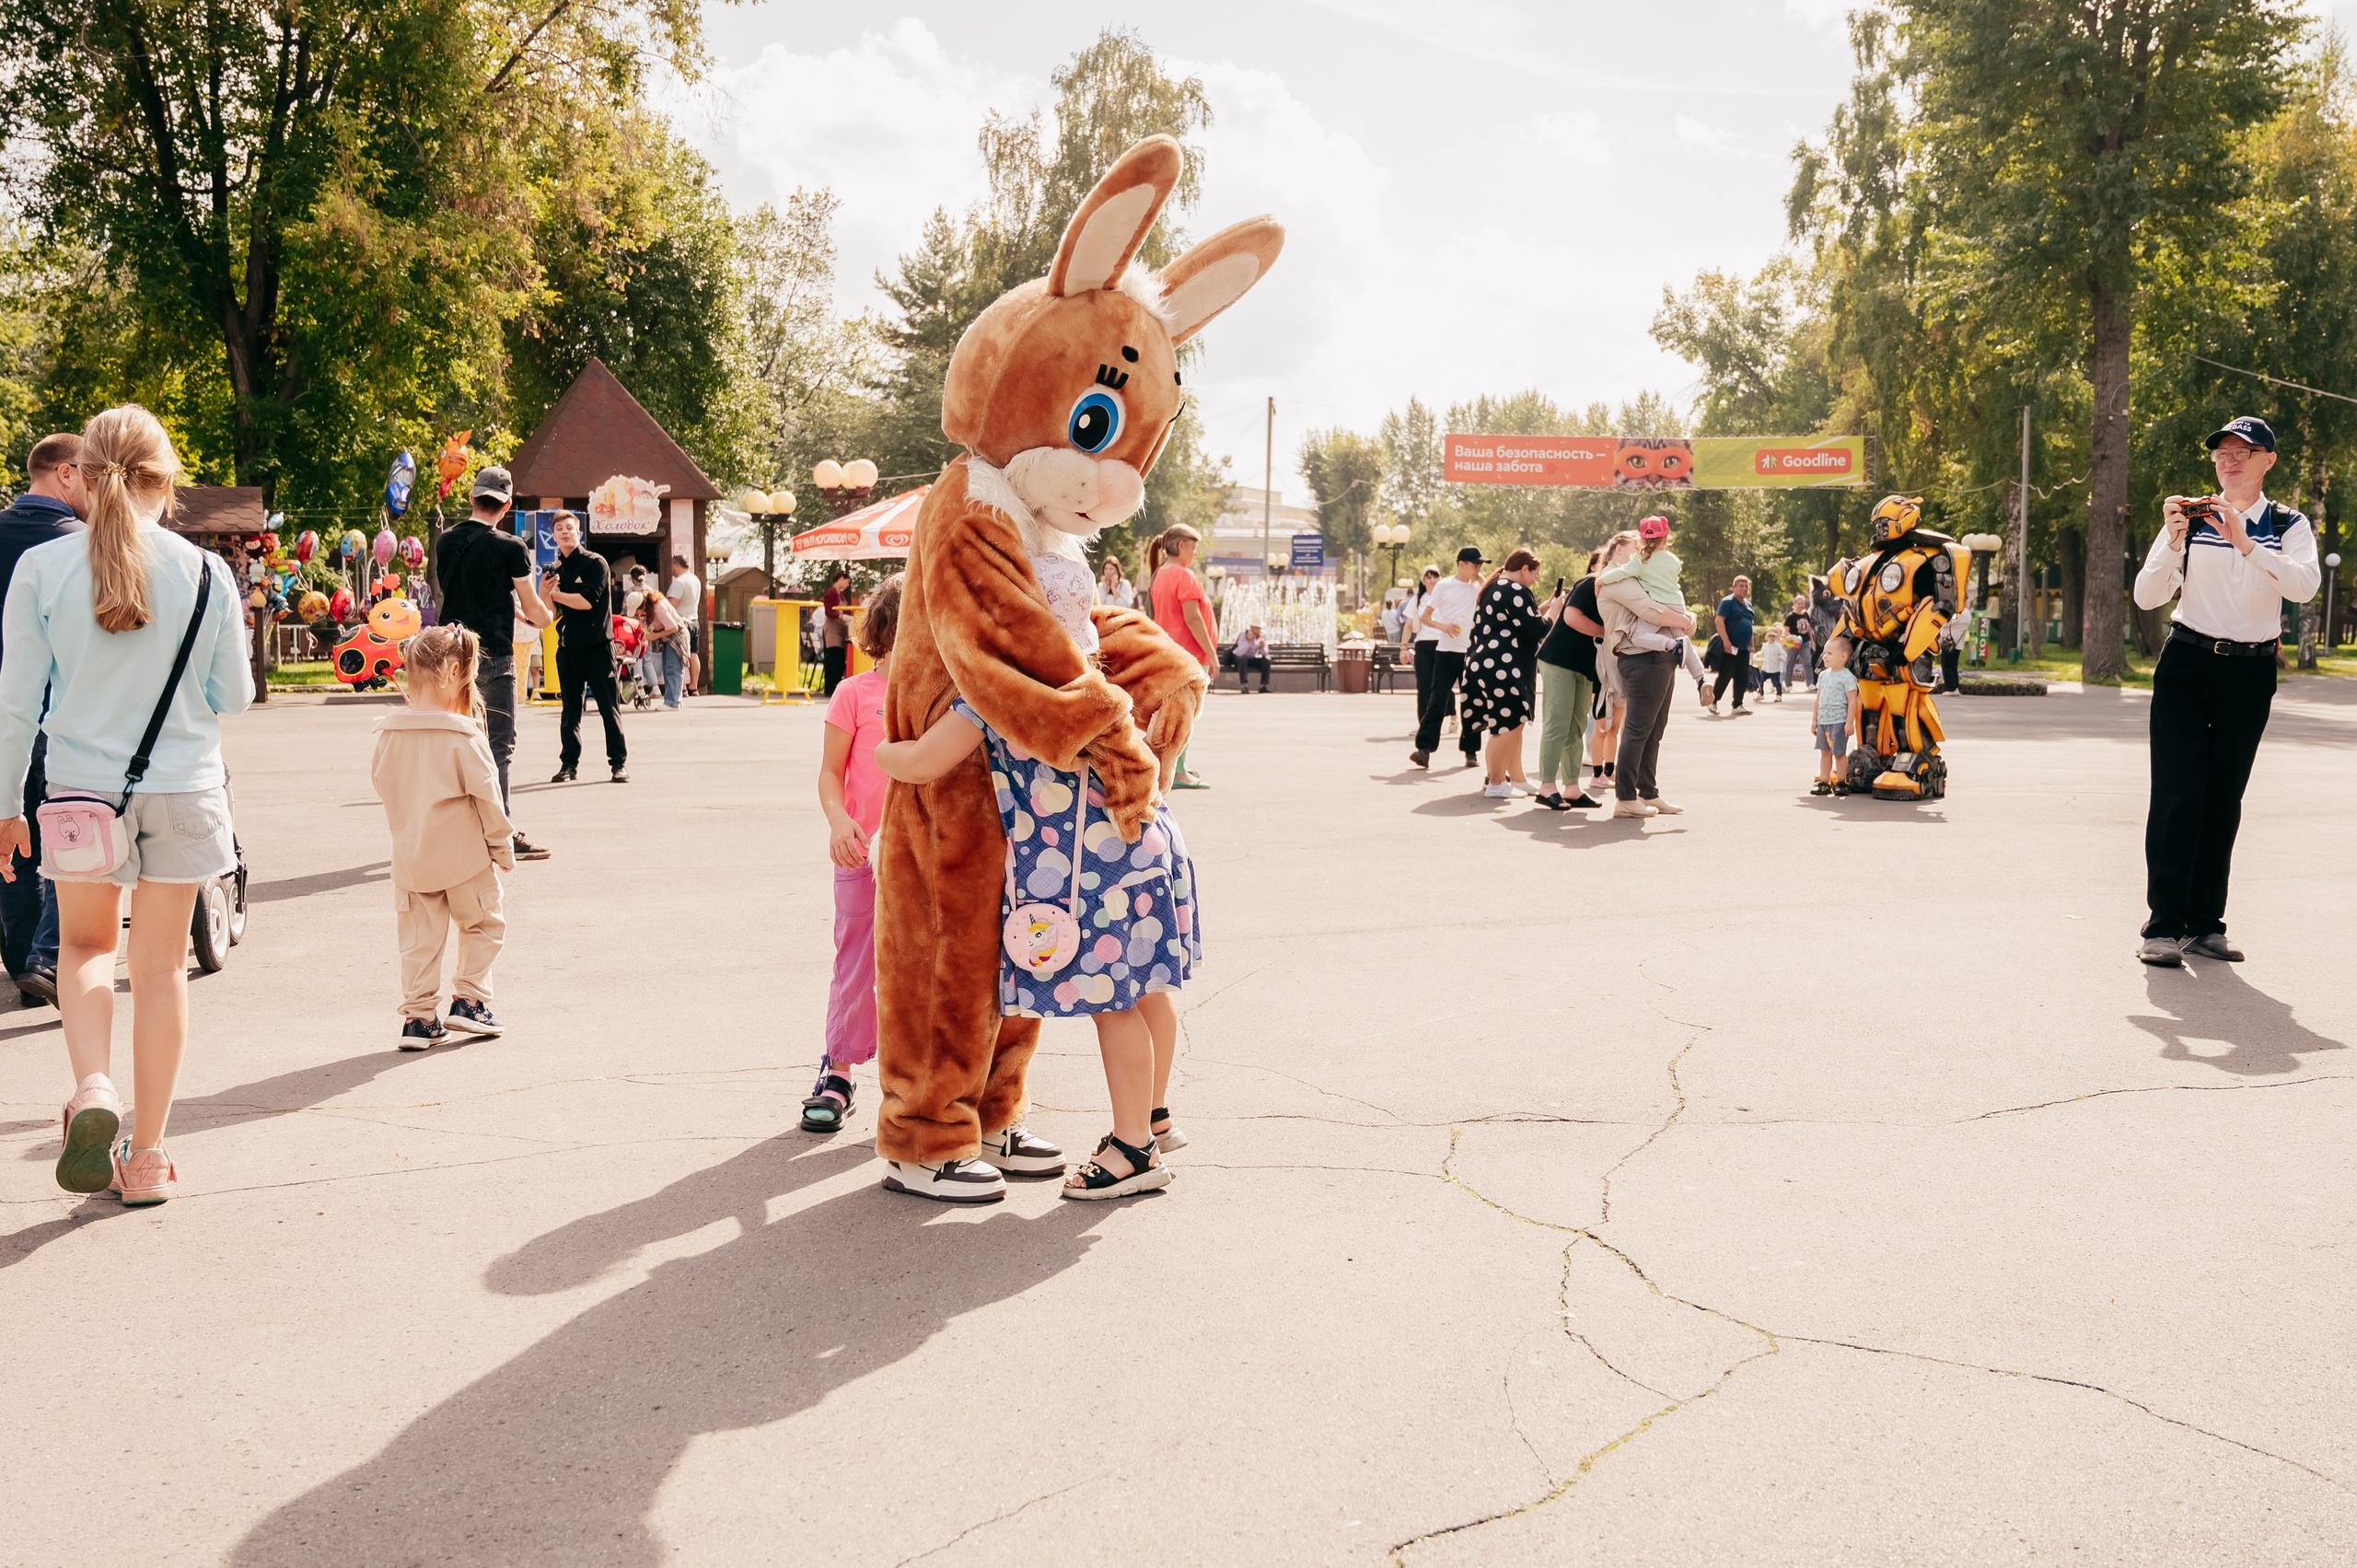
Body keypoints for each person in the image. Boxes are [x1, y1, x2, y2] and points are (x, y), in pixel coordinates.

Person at [873, 565, 1200, 1201]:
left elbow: (921, 759)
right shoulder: (1098, 677)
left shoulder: (1002, 694)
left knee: (1115, 1005)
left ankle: (1133, 1146)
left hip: (1093, 873)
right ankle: (1156, 1115)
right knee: (1148, 989)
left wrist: (881, 748)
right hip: (1148, 850)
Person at [0, 403, 252, 1206]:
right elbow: (236, 697)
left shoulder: (41, 570)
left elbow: (14, 703)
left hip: (78, 791)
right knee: (161, 968)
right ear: (167, 479)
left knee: (82, 949)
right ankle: (146, 1159)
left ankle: (96, 1086)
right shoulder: (208, 572)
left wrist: (7, 803)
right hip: (183, 787)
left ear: (81, 478)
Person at [2131, 415, 2320, 967]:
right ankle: (2163, 925)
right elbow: (2147, 596)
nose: (2230, 460)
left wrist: (2245, 542)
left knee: (2223, 799)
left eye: (2245, 451)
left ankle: (2204, 923)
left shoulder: (2289, 524)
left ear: (2269, 461)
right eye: (2222, 452)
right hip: (2188, 662)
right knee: (2178, 795)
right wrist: (2171, 539)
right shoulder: (2191, 520)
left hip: (2250, 671)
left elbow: (2303, 586)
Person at [373, 626, 513, 1049]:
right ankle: (469, 1001)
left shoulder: (387, 736)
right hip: (465, 858)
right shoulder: (463, 735)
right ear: (454, 672)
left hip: (412, 859)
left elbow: (385, 788)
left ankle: (418, 1018)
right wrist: (500, 846)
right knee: (483, 924)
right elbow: (489, 799)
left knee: (419, 940)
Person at [805, 575, 902, 1135]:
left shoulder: (941, 695)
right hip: (859, 854)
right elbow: (829, 773)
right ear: (884, 632)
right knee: (855, 961)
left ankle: (912, 1078)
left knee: (918, 968)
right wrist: (839, 821)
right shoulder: (854, 694)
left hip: (920, 859)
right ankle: (838, 1071)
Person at [0, 433, 88, 1005]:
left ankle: (21, 959)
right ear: (64, 474)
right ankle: (47, 957)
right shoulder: (81, 546)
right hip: (60, 711)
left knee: (9, 828)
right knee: (63, 833)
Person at [435, 464, 553, 860]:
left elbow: (465, 591)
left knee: (455, 745)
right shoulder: (512, 547)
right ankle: (499, 834)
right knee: (497, 747)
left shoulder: (446, 541)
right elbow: (537, 613)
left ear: (471, 498)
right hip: (494, 656)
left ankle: (455, 831)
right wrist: (541, 607)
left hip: (449, 656)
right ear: (506, 506)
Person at [1596, 516, 1698, 819]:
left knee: (1654, 729)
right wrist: (1686, 621)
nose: (1642, 549)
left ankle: (1648, 792)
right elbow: (1649, 610)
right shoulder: (1617, 577)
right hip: (1641, 656)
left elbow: (1660, 598)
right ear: (1617, 550)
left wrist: (1682, 618)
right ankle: (1625, 798)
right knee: (1638, 729)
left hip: (1658, 655)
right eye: (1635, 545)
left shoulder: (1634, 573)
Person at [543, 511, 628, 784]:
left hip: (598, 649)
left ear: (579, 532)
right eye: (559, 529)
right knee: (570, 710)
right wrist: (545, 595)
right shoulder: (555, 571)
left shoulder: (595, 563)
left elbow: (587, 601)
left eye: (569, 527)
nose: (565, 532)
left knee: (608, 708)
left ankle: (618, 764)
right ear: (554, 536)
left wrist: (553, 594)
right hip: (567, 650)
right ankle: (569, 765)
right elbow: (552, 613)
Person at [1460, 547, 1550, 798]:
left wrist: (1544, 608)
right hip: (1503, 666)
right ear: (1524, 569)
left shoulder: (1495, 587)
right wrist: (1554, 612)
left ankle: (1517, 779)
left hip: (1488, 664)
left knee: (1513, 724)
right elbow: (1536, 629)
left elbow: (1521, 620)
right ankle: (1497, 783)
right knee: (1506, 726)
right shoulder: (1516, 590)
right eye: (1536, 575)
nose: (1535, 580)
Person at [1535, 548, 1607, 810]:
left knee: (1576, 726)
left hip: (1584, 665)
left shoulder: (1618, 590)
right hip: (1559, 660)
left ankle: (1572, 788)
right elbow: (1571, 616)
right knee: (1558, 724)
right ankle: (1546, 787)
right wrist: (1605, 631)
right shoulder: (1591, 583)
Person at [1147, 524, 1217, 788]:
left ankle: (1176, 767)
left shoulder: (1159, 575)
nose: (1195, 553)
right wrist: (1213, 654)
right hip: (1188, 656)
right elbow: (1193, 618)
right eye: (1193, 547)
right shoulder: (1183, 576)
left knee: (1171, 715)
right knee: (1185, 716)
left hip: (1170, 652)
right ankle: (1177, 772)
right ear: (1180, 546)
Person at [1411, 547, 1486, 769]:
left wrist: (1480, 578)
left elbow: (1492, 593)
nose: (1477, 568)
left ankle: (1471, 751)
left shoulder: (1478, 588)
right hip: (1445, 652)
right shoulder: (1444, 586)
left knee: (1472, 702)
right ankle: (1424, 749)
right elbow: (1425, 617)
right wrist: (1443, 627)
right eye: (1474, 564)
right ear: (1461, 564)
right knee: (1437, 700)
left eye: (1480, 565)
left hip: (1470, 652)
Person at [1812, 635, 1860, 796]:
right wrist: (1814, 720)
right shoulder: (1823, 676)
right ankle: (1824, 782)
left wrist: (1849, 722)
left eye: (1830, 653)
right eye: (1824, 653)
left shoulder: (1848, 677)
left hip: (1839, 721)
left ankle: (1841, 782)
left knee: (1839, 753)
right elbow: (1818, 699)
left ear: (1843, 657)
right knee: (1825, 752)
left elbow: (1853, 701)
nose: (1824, 656)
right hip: (1823, 721)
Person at [1709, 575, 1757, 715]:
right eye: (1741, 586)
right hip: (1730, 646)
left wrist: (1751, 645)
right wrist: (1726, 641)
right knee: (1726, 674)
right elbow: (1719, 621)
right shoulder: (1727, 602)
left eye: (1746, 586)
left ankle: (1737, 704)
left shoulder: (1748, 605)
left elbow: (1749, 626)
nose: (1744, 588)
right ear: (1734, 587)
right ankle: (1713, 701)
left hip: (1743, 647)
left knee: (1743, 676)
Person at [1403, 563, 1442, 723]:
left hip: (1442, 645)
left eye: (1435, 576)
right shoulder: (1418, 600)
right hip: (1423, 645)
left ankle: (1452, 714)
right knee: (1423, 685)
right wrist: (1403, 648)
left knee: (1440, 686)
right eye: (1428, 577)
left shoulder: (1446, 597)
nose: (1432, 580)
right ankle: (1424, 723)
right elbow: (1408, 625)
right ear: (1423, 581)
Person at [638, 587, 688, 709]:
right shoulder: (650, 606)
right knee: (668, 669)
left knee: (673, 669)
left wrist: (655, 636)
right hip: (668, 637)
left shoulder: (657, 607)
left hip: (675, 636)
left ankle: (673, 702)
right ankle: (673, 701)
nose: (638, 614)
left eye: (637, 610)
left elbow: (674, 627)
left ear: (643, 605)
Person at [666, 553, 702, 691]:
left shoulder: (680, 582)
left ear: (676, 564)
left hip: (682, 622)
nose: (671, 569)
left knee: (679, 654)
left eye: (672, 565)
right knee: (693, 653)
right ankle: (694, 686)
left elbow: (673, 603)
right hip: (694, 620)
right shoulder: (695, 579)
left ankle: (683, 688)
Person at [818, 568, 852, 697]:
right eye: (847, 582)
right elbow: (828, 612)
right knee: (833, 659)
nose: (848, 585)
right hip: (832, 629)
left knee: (840, 659)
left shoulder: (840, 595)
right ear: (841, 579)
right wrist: (841, 616)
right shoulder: (831, 593)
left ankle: (836, 687)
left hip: (839, 629)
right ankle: (830, 688)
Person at [1784, 596, 1815, 689]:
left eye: (1802, 603)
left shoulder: (1805, 615)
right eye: (1799, 603)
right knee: (1790, 663)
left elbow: (1809, 628)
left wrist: (1812, 640)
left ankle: (1810, 683)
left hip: (1805, 642)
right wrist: (1793, 639)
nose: (1801, 605)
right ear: (1794, 604)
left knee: (1807, 662)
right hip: (1794, 643)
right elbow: (1786, 630)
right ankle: (1788, 683)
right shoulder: (1791, 616)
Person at [1234, 621, 1272, 692]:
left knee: (1266, 661)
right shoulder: (1243, 634)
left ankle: (1263, 686)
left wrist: (1262, 647)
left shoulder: (1263, 635)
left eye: (1259, 628)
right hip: (1240, 658)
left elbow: (1264, 653)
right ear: (1251, 627)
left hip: (1252, 658)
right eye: (1256, 627)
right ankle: (1244, 685)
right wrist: (1248, 641)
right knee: (1243, 659)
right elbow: (1240, 652)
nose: (1258, 630)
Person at [1757, 625, 1786, 703]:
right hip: (1765, 668)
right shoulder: (1765, 646)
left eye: (1773, 636)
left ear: (1776, 637)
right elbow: (1762, 653)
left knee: (1776, 683)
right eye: (1770, 636)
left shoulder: (1777, 646)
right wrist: (1757, 654)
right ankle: (1760, 693)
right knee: (1760, 680)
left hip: (1775, 669)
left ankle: (1779, 695)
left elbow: (1784, 655)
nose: (1772, 638)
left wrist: (1781, 658)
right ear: (1766, 637)